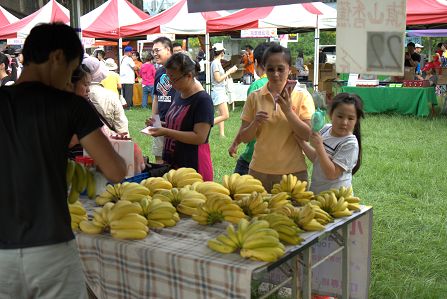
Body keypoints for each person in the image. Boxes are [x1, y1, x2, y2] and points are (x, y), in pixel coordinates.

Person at [0, 22, 127, 299]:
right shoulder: (71, 105)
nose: (68, 82)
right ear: (57, 57)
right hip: (51, 249)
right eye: (70, 72)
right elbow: (116, 171)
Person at [239, 44, 315, 191]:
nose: (275, 74)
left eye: (280, 69)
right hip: (258, 172)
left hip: (293, 174)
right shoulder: (255, 97)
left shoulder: (302, 96)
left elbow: (307, 135)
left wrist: (288, 111)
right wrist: (255, 123)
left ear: (289, 69)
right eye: (270, 69)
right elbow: (244, 137)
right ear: (264, 68)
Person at [147, 53, 214, 180]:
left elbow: (199, 137)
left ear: (189, 76)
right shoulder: (179, 94)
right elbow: (180, 125)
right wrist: (159, 126)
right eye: (168, 79)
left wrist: (166, 131)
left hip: (193, 166)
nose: (171, 83)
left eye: (174, 79)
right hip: (174, 164)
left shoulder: (203, 100)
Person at [298, 93, 364, 194]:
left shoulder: (350, 144)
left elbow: (332, 174)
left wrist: (319, 147)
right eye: (340, 116)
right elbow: (316, 159)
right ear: (330, 114)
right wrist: (301, 142)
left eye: (350, 118)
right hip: (317, 192)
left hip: (337, 199)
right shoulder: (325, 129)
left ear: (356, 121)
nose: (344, 122)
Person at [228, 42, 274, 175]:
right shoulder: (287, 88)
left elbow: (246, 122)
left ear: (257, 63)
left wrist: (235, 143)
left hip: (254, 154)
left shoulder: (256, 86)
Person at [146, 37, 176, 164]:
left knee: (174, 159)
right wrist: (154, 120)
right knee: (158, 156)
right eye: (153, 51)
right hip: (161, 121)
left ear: (168, 49)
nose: (154, 54)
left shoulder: (179, 69)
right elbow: (157, 98)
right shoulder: (158, 71)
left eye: (157, 50)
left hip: (176, 124)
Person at [210, 43, 238, 137]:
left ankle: (222, 134)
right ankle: (206, 125)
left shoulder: (216, 62)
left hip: (219, 90)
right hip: (218, 91)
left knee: (221, 113)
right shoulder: (215, 63)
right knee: (225, 115)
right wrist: (229, 72)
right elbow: (218, 79)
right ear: (222, 52)